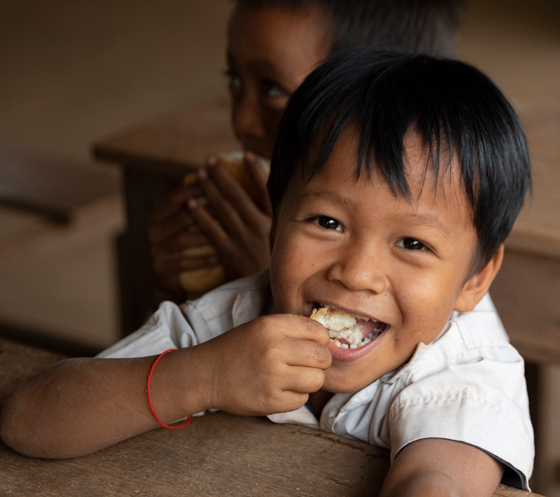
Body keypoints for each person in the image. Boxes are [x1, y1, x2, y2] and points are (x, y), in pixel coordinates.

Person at [1, 48, 533, 497]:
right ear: (275, 220)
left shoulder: (466, 367)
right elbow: (28, 422)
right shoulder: (232, 317)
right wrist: (199, 377)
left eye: (412, 243)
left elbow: (432, 485)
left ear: (476, 278)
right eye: (327, 221)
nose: (357, 273)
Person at [151, 0, 466, 297]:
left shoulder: (442, 260)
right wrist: (176, 293)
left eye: (272, 89)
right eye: (235, 81)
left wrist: (266, 280)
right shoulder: (224, 210)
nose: (242, 122)